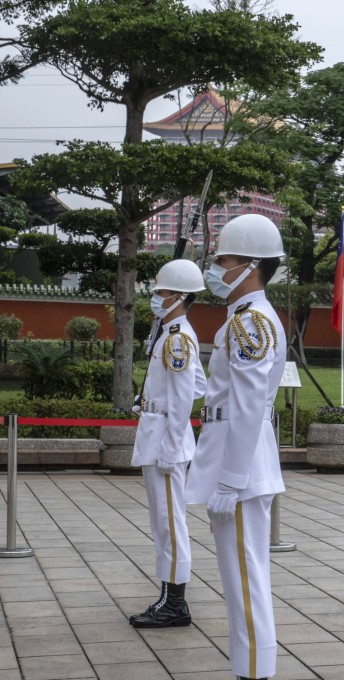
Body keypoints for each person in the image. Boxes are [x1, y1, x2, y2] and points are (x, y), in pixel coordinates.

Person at [185, 214, 287, 680]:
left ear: (248, 265)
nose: (215, 268)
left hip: (240, 467)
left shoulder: (249, 324)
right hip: (236, 458)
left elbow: (247, 408)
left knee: (246, 582)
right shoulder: (243, 319)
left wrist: (230, 479)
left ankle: (255, 673)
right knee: (242, 578)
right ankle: (250, 668)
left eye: (222, 260)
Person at [129, 259, 207, 629]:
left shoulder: (177, 337)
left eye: (161, 292)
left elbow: (182, 402)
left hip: (165, 441)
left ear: (178, 296)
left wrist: (171, 446)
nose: (156, 298)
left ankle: (174, 602)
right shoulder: (173, 333)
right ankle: (170, 596)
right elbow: (198, 385)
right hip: (158, 431)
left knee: (169, 522)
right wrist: (149, 401)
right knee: (162, 521)